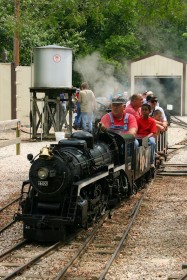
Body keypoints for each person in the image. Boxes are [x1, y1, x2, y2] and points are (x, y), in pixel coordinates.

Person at [137, 103, 157, 168]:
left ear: (149, 111)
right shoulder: (138, 120)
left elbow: (153, 132)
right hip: (139, 137)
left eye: (146, 110)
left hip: (148, 136)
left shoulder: (152, 121)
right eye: (142, 110)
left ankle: (151, 162)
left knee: (152, 142)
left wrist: (146, 137)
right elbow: (136, 131)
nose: (144, 111)